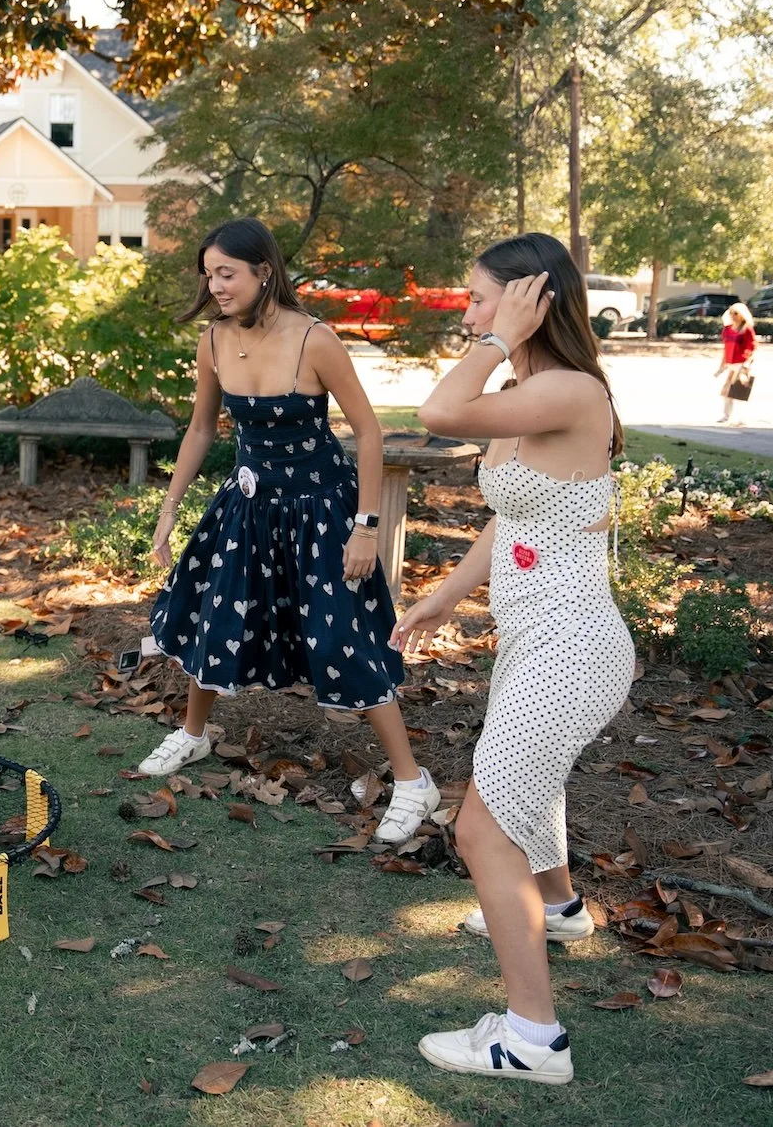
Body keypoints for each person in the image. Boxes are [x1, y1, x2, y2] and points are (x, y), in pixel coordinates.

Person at [393, 232, 633, 1085]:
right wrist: (443, 596)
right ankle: (560, 908)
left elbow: (436, 415)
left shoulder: (567, 390)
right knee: (529, 783)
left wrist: (495, 341)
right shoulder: (529, 392)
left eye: (479, 299)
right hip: (537, 639)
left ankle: (533, 1039)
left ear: (532, 301)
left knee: (481, 827)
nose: (467, 314)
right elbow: (511, 519)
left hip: (574, 645)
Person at [141, 218, 432, 844]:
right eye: (209, 274)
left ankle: (412, 782)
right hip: (248, 509)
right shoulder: (214, 340)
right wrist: (169, 510)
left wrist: (365, 527)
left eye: (227, 273)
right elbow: (200, 431)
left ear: (263, 271)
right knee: (213, 622)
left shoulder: (314, 341)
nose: (215, 286)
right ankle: (193, 735)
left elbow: (370, 432)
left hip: (322, 513)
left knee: (340, 642)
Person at [716, 302, 755, 425]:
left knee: (738, 390)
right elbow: (726, 348)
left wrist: (747, 363)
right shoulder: (727, 330)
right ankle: (726, 414)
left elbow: (751, 347)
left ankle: (741, 417)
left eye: (736, 313)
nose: (733, 315)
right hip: (731, 363)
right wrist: (722, 365)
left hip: (741, 363)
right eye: (731, 313)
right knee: (727, 391)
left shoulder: (746, 329)